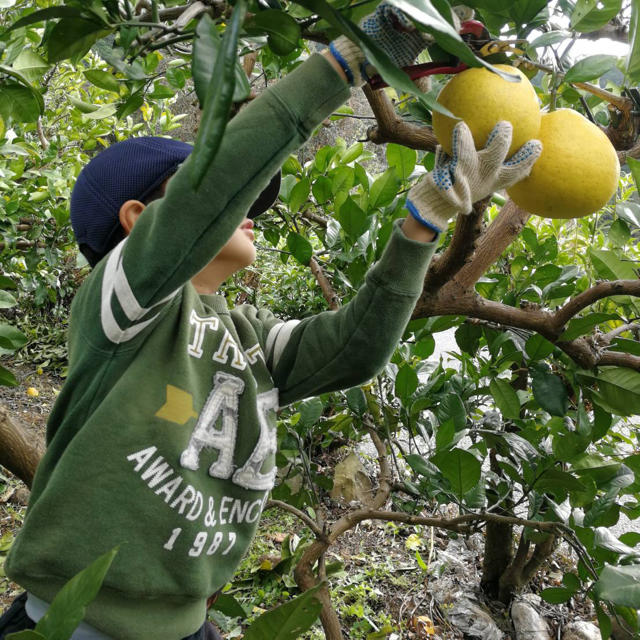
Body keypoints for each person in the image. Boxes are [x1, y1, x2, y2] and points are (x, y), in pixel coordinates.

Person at [0, 4, 541, 639]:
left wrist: (424, 221)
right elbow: (210, 192)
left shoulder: (247, 337)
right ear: (139, 222)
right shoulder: (120, 307)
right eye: (231, 198)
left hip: (188, 627)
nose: (248, 208)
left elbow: (354, 350)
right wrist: (341, 65)